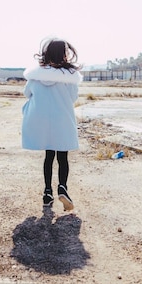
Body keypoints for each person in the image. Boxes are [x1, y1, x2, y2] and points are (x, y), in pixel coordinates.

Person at [21, 38, 83, 210]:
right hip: (62, 121)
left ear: (46, 53)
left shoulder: (35, 75)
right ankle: (62, 187)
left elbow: (27, 93)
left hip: (43, 123)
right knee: (63, 158)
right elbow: (73, 98)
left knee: (49, 157)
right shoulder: (69, 77)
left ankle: (47, 192)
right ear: (64, 53)